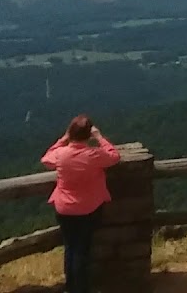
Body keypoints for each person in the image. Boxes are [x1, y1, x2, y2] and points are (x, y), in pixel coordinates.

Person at [41, 115, 121, 293]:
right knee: (82, 250)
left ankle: (71, 287)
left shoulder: (60, 154)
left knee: (70, 247)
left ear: (71, 133)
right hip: (88, 210)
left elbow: (46, 159)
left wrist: (63, 139)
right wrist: (99, 137)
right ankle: (81, 289)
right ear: (88, 135)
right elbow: (114, 156)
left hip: (63, 209)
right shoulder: (93, 155)